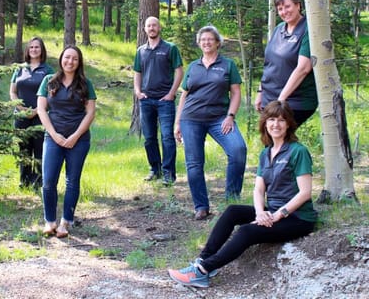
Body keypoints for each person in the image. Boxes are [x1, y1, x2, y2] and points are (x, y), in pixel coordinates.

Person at [168, 100, 317, 288]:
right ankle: (202, 262)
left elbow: (305, 193)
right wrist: (260, 212)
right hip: (273, 210)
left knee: (247, 231)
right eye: (271, 119)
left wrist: (277, 215)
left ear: (288, 124)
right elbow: (259, 189)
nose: (276, 125)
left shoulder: (298, 151)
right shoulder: (266, 153)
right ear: (265, 123)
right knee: (233, 211)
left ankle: (203, 271)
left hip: (297, 218)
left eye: (281, 120)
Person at [175, 26, 247, 220]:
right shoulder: (193, 67)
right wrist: (177, 123)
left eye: (210, 39)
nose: (206, 42)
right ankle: (201, 206)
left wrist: (230, 116)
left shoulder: (228, 65)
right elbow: (184, 96)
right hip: (191, 119)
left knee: (238, 150)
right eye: (203, 40)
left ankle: (231, 201)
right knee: (194, 164)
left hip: (219, 118)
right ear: (199, 43)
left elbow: (236, 93)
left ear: (217, 43)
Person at [38, 45, 97, 238]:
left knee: (72, 181)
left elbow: (90, 113)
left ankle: (65, 222)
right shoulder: (49, 81)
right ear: (61, 59)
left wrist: (75, 136)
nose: (69, 62)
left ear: (79, 63)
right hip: (53, 138)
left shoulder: (85, 83)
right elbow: (41, 110)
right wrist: (54, 134)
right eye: (67, 58)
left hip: (78, 141)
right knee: (48, 182)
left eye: (74, 59)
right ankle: (50, 221)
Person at [133, 16, 183, 185]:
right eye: (149, 26)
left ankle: (169, 174)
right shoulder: (141, 50)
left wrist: (171, 93)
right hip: (146, 100)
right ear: (144, 29)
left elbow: (179, 71)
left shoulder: (170, 48)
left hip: (165, 101)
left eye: (154, 25)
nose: (152, 28)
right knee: (149, 138)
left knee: (167, 137)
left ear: (159, 28)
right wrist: (138, 91)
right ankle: (155, 169)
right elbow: (137, 72)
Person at [255, 0, 317, 126]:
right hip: (270, 97)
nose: (284, 12)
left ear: (298, 5)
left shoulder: (309, 29)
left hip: (294, 101)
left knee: (278, 139)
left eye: (287, 6)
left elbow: (304, 68)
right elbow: (269, 64)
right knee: (270, 140)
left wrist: (281, 101)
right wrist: (260, 91)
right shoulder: (278, 29)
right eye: (280, 9)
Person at [9, 37, 54, 188]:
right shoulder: (19, 69)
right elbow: (13, 92)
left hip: (40, 116)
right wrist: (22, 109)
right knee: (24, 149)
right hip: (21, 116)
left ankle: (39, 182)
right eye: (31, 47)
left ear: (42, 50)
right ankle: (24, 181)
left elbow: (52, 94)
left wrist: (37, 111)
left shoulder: (48, 70)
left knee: (40, 148)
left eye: (37, 47)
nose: (34, 50)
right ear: (27, 50)